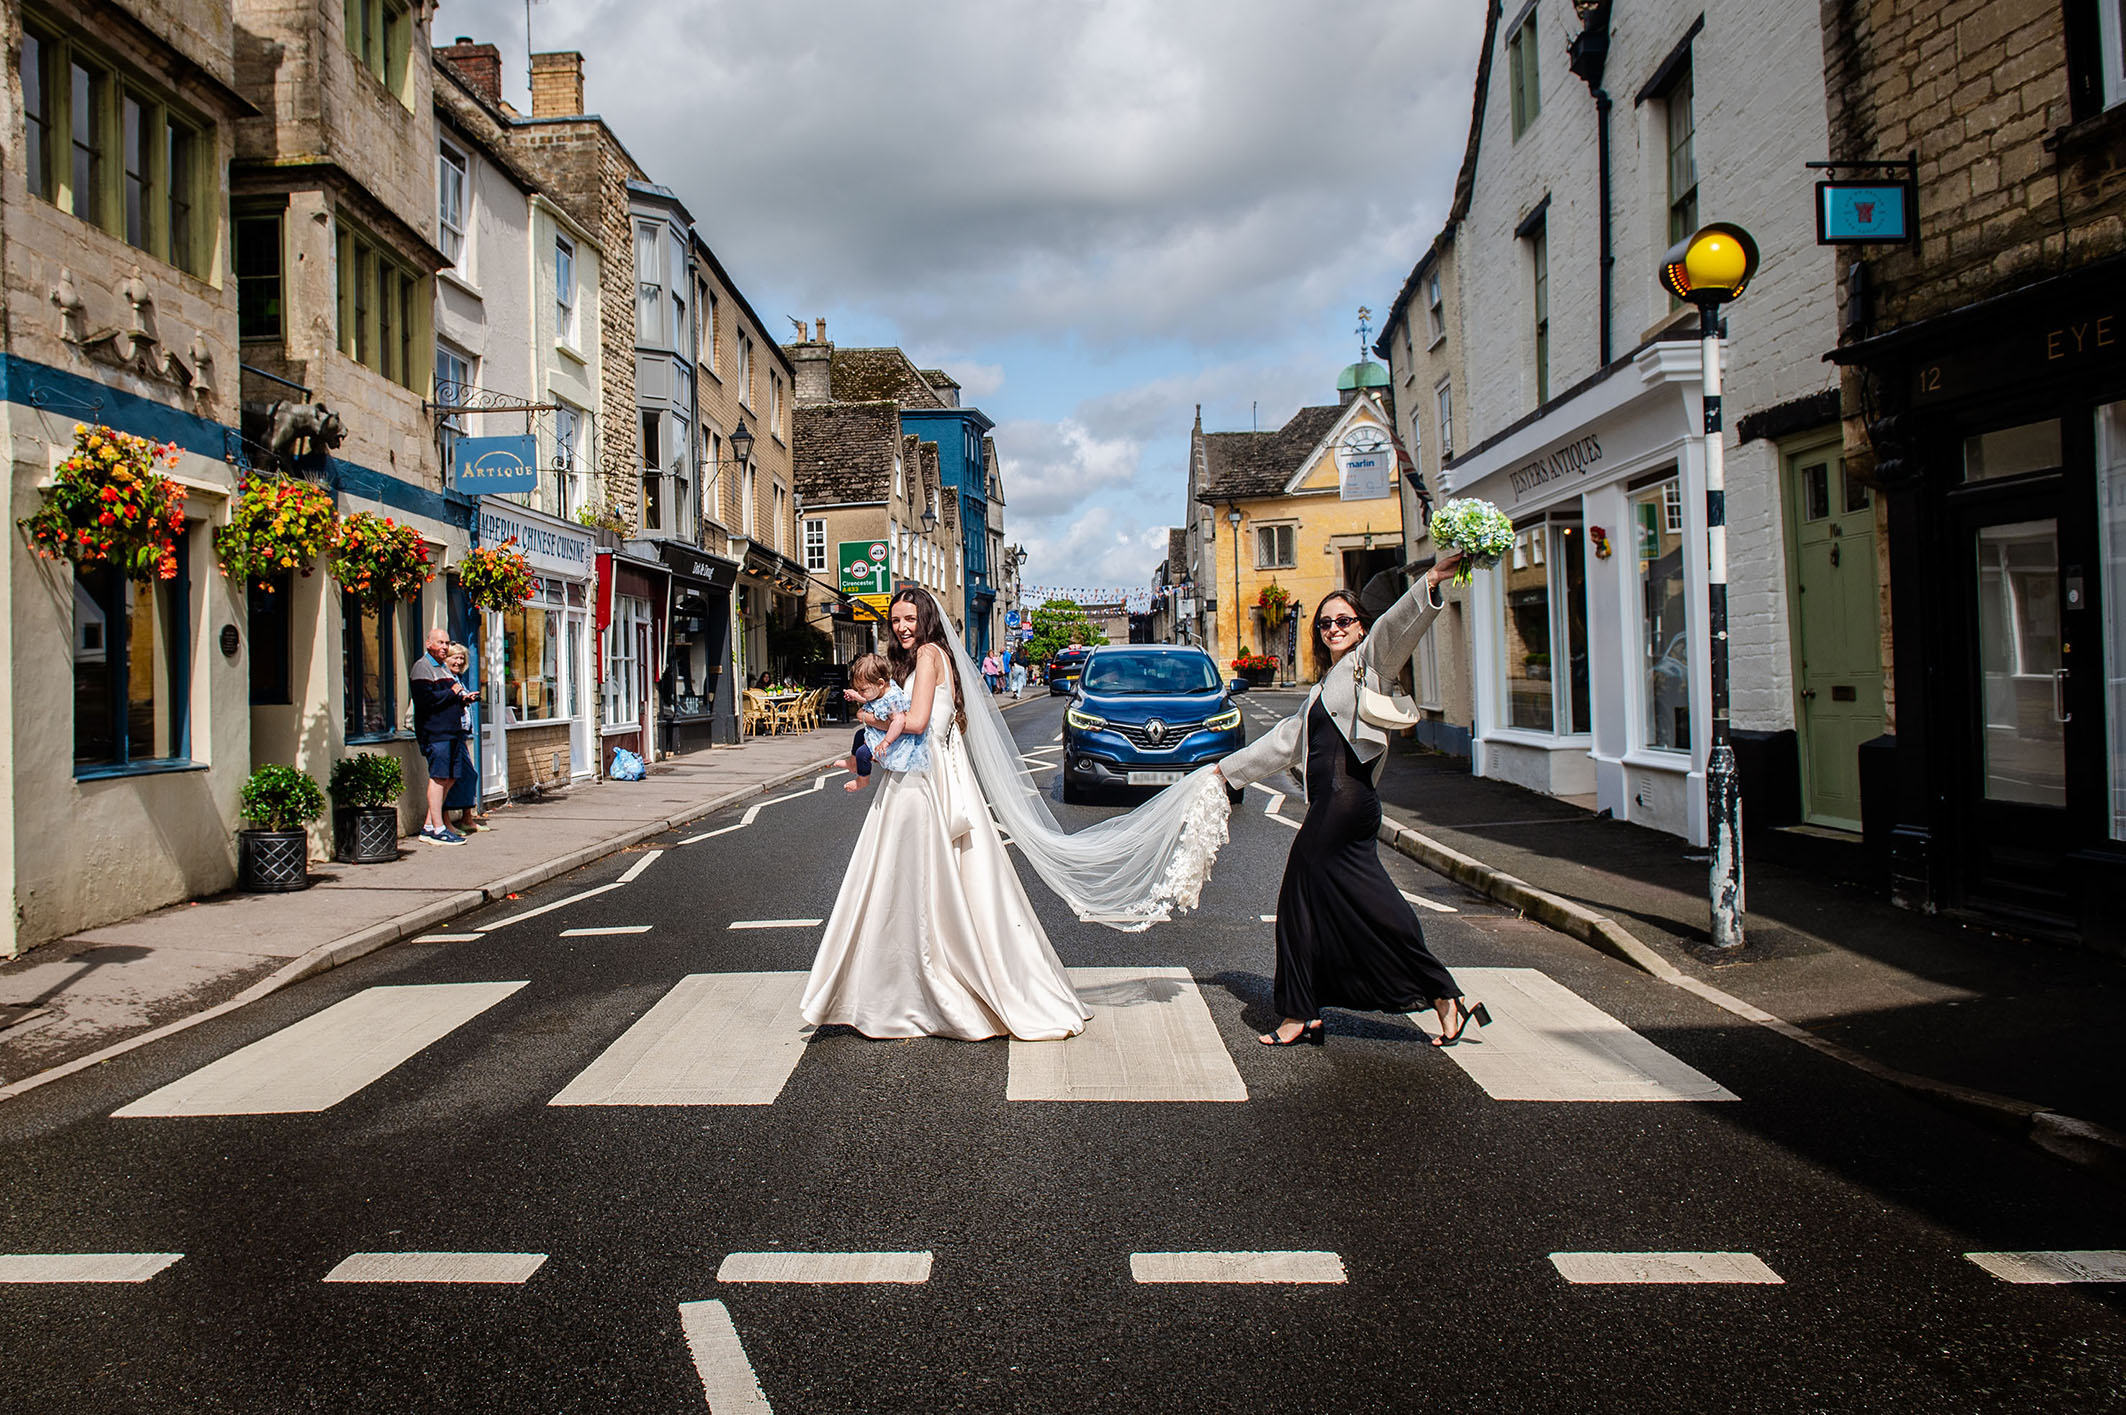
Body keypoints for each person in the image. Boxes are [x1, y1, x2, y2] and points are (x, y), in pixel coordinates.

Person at [1215, 554, 1490, 1048]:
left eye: (1344, 620)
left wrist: (1432, 579)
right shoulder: (1324, 687)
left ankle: (1301, 1012)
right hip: (1341, 808)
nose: (1334, 628)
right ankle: (1442, 997)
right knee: (1372, 905)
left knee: (1300, 903)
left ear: (1360, 627)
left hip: (1343, 806)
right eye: (1325, 624)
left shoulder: (1369, 662)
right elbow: (1285, 741)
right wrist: (1225, 772)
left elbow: (1397, 627)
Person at [802, 591, 1089, 1040]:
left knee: (907, 881)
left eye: (910, 618)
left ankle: (908, 990)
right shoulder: (936, 657)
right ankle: (912, 983)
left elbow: (915, 723)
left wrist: (867, 719)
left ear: (927, 620)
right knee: (941, 881)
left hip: (923, 784)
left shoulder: (930, 654)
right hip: (935, 774)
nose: (901, 627)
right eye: (896, 620)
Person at [409, 626, 475, 845]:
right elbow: (425, 701)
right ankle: (437, 829)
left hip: (452, 731)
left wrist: (463, 699)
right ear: (429, 644)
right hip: (435, 732)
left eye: (447, 643)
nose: (445, 647)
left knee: (451, 777)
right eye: (440, 643)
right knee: (438, 777)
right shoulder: (423, 667)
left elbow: (449, 698)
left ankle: (429, 825)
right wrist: (451, 693)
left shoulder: (445, 669)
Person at [838, 652, 928, 793]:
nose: (861, 693)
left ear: (880, 683)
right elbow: (870, 699)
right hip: (880, 732)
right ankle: (853, 763)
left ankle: (862, 780)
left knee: (862, 752)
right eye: (858, 690)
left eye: (863, 690)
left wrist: (886, 742)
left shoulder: (893, 699)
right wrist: (855, 696)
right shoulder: (879, 691)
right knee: (859, 735)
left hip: (892, 737)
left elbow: (899, 720)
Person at [443, 643, 482, 834]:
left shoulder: (458, 678)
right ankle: (445, 821)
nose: (459, 661)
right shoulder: (445, 678)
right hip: (449, 734)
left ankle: (467, 818)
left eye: (461, 658)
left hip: (460, 734)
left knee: (468, 775)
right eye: (454, 657)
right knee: (448, 778)